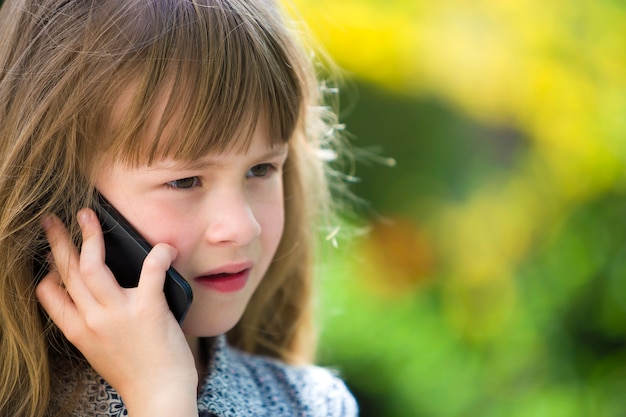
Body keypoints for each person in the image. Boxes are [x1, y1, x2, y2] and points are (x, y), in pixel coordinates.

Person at [0, 0, 358, 416]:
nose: (243, 228)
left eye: (261, 169)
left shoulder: (312, 405)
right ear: (58, 197)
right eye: (184, 180)